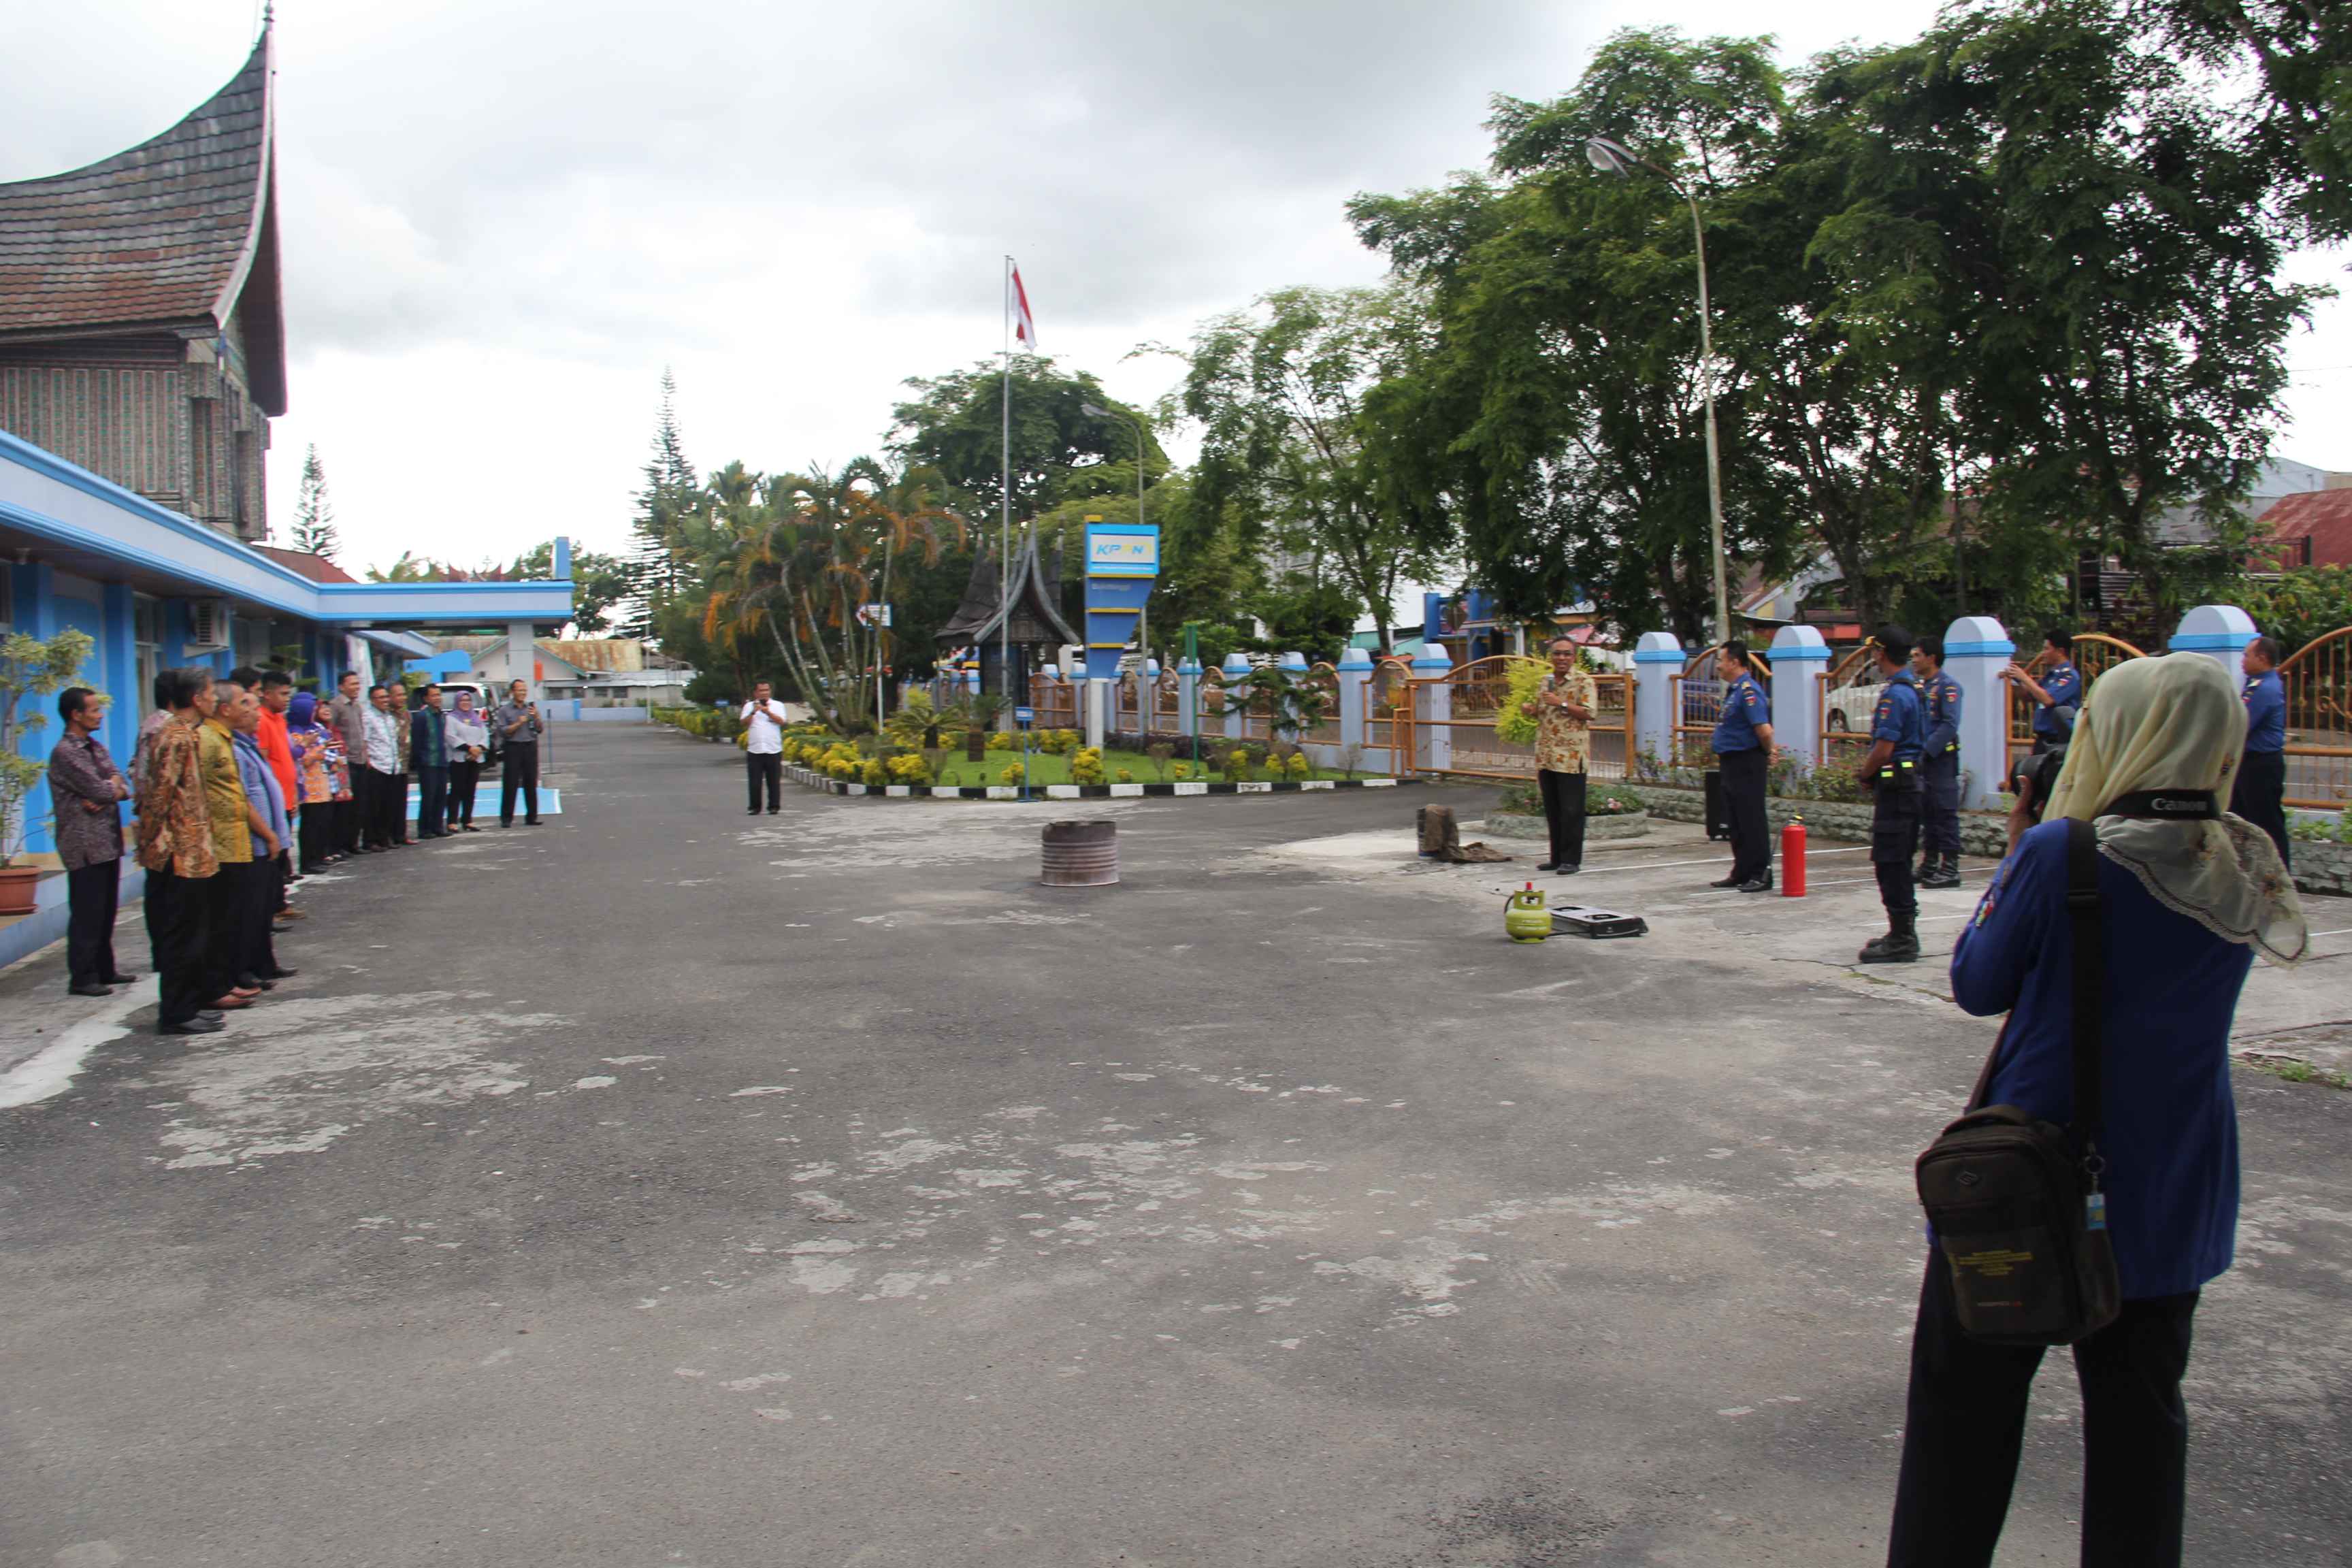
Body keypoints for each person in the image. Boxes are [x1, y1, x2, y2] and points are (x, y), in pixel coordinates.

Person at [1886, 653, 2306, 1568]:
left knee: (1965, 1407)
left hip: (2030, 1176)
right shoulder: (2247, 858)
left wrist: (2022, 846)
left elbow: (1977, 983)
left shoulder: (2063, 852)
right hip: (2175, 1177)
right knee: (2142, 1422)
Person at [136, 667, 226, 1035]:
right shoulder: (174, 737)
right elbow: (159, 796)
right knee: (181, 936)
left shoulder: (188, 734)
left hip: (196, 853)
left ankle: (188, 1004)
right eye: (211, 693)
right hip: (180, 853)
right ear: (196, 698)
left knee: (195, 935)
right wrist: (149, 845)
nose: (216, 699)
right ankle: (175, 1011)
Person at [48, 686, 135, 996]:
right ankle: (83, 977)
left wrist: (110, 792)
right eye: (95, 710)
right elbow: (100, 789)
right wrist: (109, 792)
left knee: (107, 910)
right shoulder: (66, 752)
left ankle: (104, 969)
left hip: (106, 841)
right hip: (83, 843)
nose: (100, 715)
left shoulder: (95, 747)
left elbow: (120, 780)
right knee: (88, 912)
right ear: (76, 715)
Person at [1855, 626, 1927, 963]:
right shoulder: (1913, 689)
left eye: (1875, 650)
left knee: (1891, 862)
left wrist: (1865, 774)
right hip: (1906, 786)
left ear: (1881, 653)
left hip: (1898, 789)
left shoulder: (1896, 695)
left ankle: (1903, 937)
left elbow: (1884, 749)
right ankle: (1900, 930)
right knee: (1898, 859)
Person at [200, 683, 270, 1013]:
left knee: (232, 919)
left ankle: (225, 981)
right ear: (225, 709)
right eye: (244, 703)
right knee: (221, 921)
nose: (251, 709)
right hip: (221, 844)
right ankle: (215, 986)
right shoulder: (207, 740)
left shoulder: (224, 740)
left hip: (237, 842)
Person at [223, 682, 295, 987]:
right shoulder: (233, 750)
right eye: (248, 707)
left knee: (263, 909)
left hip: (267, 842)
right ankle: (246, 969)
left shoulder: (247, 745)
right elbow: (241, 799)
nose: (255, 714)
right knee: (249, 911)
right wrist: (268, 834)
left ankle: (265, 964)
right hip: (254, 843)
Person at [1518, 637, 1595, 875]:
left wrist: (1562, 703)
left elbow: (1589, 713)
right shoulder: (1546, 681)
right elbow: (1545, 713)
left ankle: (1571, 860)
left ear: (1574, 657)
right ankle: (1556, 858)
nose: (1562, 658)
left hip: (1570, 757)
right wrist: (1531, 710)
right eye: (1557, 653)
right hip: (1547, 755)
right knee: (1553, 809)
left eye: (1567, 654)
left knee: (1572, 810)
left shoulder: (1584, 681)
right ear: (1551, 656)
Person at [1708, 642, 1774, 892]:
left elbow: (1764, 731)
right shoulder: (1735, 691)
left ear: (1734, 662)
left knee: (1751, 818)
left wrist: (1768, 752)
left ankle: (1760, 873)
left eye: (1721, 660)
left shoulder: (1749, 692)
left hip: (1747, 762)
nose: (1719, 666)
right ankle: (1742, 870)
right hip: (1732, 762)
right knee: (1735, 820)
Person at [2230, 635, 2289, 866]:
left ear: (2262, 659)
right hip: (2249, 764)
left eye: (2247, 656)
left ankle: (2279, 874)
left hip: (2260, 765)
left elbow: (2240, 724)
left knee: (2267, 825)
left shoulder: (2264, 689)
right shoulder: (2256, 684)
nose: (2243, 660)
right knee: (2240, 822)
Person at [1911, 636, 1964, 891]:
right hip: (1924, 761)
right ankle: (1930, 864)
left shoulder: (1948, 687)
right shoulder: (1922, 687)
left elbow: (1949, 724)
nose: (1913, 660)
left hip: (1940, 760)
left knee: (1944, 811)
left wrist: (1926, 751)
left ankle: (1951, 868)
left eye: (1917, 655)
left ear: (1932, 658)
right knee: (1927, 811)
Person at [1999, 630, 2081, 755]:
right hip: (2043, 739)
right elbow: (2028, 697)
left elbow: (2047, 700)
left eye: (2047, 649)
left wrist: (2025, 678)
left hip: (2058, 741)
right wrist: (2016, 681)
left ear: (2060, 652)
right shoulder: (2051, 676)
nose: (2043, 653)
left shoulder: (2069, 677)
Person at [286, 693, 339, 873]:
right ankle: (308, 862)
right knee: (311, 826)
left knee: (322, 824)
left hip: (321, 783)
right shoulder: (295, 732)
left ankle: (318, 857)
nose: (314, 714)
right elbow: (303, 758)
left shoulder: (313, 729)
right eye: (312, 710)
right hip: (309, 787)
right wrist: (322, 749)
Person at [359, 684, 408, 850]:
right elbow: (364, 741)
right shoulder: (368, 717)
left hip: (392, 766)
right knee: (374, 807)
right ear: (372, 700)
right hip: (377, 766)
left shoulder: (388, 717)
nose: (385, 700)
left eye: (386, 697)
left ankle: (384, 838)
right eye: (380, 698)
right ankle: (371, 841)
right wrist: (368, 761)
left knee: (389, 806)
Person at [327, 670, 371, 855]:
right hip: (346, 763)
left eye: (358, 683)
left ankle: (353, 843)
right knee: (345, 808)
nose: (357, 687)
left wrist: (366, 754)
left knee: (359, 807)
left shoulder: (357, 706)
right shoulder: (336, 706)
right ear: (341, 686)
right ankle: (340, 845)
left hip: (360, 759)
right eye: (352, 684)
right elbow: (329, 731)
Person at [495, 679, 543, 827]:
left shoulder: (530, 709)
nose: (523, 693)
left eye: (524, 690)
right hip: (513, 747)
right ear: (512, 692)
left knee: (531, 782)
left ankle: (532, 817)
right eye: (520, 690)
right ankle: (507, 818)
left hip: (529, 746)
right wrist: (518, 724)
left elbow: (539, 729)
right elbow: (502, 731)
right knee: (511, 783)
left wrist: (537, 718)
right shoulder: (505, 710)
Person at [740, 681, 789, 814]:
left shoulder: (778, 705)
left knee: (774, 780)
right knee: (755, 781)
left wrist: (767, 712)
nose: (764, 693)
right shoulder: (749, 706)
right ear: (756, 693)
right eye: (761, 691)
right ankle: (754, 807)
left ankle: (774, 806)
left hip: (773, 748)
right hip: (755, 749)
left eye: (766, 690)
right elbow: (743, 723)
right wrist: (753, 712)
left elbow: (781, 721)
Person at [410, 683, 451, 838]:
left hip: (442, 761)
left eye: (439, 695)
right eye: (433, 695)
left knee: (441, 796)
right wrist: (416, 761)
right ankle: (424, 829)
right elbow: (416, 740)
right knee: (429, 797)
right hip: (427, 762)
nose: (437, 698)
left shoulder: (442, 716)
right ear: (426, 699)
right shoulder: (422, 717)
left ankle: (438, 826)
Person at [445, 689, 488, 832]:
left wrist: (478, 749)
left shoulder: (476, 718)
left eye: (468, 700)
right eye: (462, 700)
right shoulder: (451, 718)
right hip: (459, 759)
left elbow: (485, 735)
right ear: (457, 702)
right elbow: (450, 736)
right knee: (457, 790)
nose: (466, 703)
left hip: (474, 759)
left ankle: (467, 820)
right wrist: (469, 749)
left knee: (470, 790)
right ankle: (452, 821)